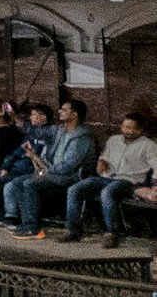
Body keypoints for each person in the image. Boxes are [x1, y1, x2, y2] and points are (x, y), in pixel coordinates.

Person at [64, 111, 157, 247]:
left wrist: (155, 184)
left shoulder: (148, 145)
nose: (127, 130)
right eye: (124, 127)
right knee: (74, 189)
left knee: (107, 192)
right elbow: (104, 157)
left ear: (140, 130)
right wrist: (101, 162)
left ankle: (112, 232)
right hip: (106, 178)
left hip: (129, 182)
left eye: (131, 128)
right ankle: (73, 230)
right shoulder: (114, 140)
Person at [14, 100, 98, 240]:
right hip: (53, 172)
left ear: (75, 114)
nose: (59, 111)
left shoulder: (82, 138)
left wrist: (46, 170)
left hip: (73, 176)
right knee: (18, 182)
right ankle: (27, 222)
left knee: (30, 183)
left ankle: (33, 227)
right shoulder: (60, 130)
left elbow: (67, 168)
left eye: (64, 109)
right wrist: (17, 119)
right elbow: (36, 132)